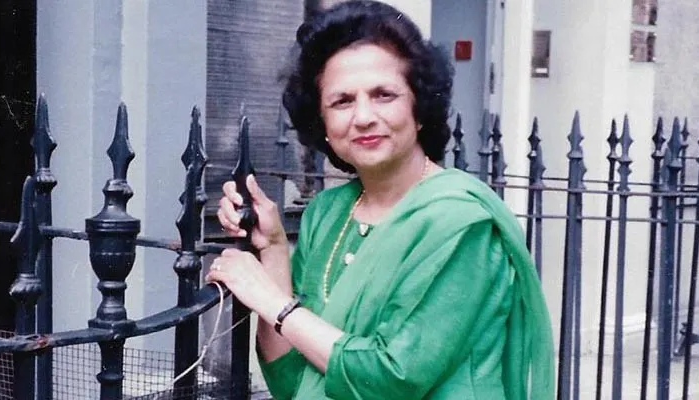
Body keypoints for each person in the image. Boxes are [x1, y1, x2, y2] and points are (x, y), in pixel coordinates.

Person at [207, 1, 554, 399]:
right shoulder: (327, 213)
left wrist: (267, 298)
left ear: (419, 107)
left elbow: (391, 379)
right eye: (342, 101)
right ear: (322, 122)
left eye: (384, 94)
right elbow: (290, 379)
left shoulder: (460, 224)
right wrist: (271, 251)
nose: (364, 116)